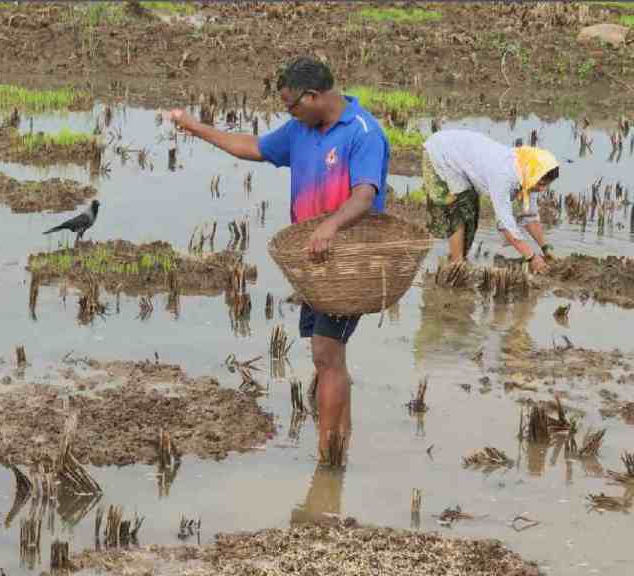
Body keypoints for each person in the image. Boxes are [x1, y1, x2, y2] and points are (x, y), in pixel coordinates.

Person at [168, 56, 389, 463]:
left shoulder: (362, 132)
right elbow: (253, 147)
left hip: (349, 259)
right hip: (312, 262)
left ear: (315, 96)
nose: (287, 113)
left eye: (291, 105)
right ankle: (340, 442)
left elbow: (365, 194)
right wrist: (194, 127)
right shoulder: (301, 128)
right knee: (329, 356)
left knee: (325, 352)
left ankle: (327, 460)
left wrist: (331, 226)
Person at [421, 129, 559, 273]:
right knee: (458, 210)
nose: (543, 189)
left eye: (546, 185)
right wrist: (532, 258)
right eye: (542, 184)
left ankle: (457, 258)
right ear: (534, 175)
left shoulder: (528, 174)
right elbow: (506, 227)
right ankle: (456, 265)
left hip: (461, 158)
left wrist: (545, 247)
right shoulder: (504, 175)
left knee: (470, 211)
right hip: (440, 153)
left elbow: (529, 216)